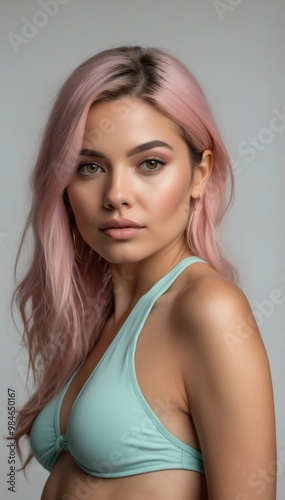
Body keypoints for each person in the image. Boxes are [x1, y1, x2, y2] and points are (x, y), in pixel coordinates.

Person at [14, 46, 276, 500]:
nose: (116, 194)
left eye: (149, 163)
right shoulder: (98, 321)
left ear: (200, 174)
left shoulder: (208, 310)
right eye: (89, 166)